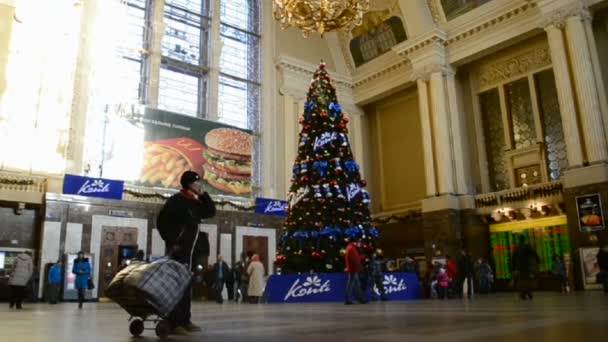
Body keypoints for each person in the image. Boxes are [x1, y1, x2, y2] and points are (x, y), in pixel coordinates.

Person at [157, 171, 216, 334]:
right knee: (176, 287)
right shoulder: (176, 201)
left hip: (191, 254)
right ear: (189, 184)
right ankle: (174, 323)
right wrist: (172, 242)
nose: (200, 186)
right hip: (178, 251)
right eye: (197, 183)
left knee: (186, 287)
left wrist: (204, 195)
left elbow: (211, 212)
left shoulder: (195, 202)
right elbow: (162, 222)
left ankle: (185, 320)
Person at [512, 235, 540, 300]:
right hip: (527, 265)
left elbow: (513, 258)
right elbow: (534, 253)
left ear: (519, 240)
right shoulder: (527, 246)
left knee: (521, 280)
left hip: (519, 266)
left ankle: (524, 293)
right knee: (527, 279)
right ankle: (528, 293)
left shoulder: (517, 247)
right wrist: (538, 260)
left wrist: (513, 267)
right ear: (524, 239)